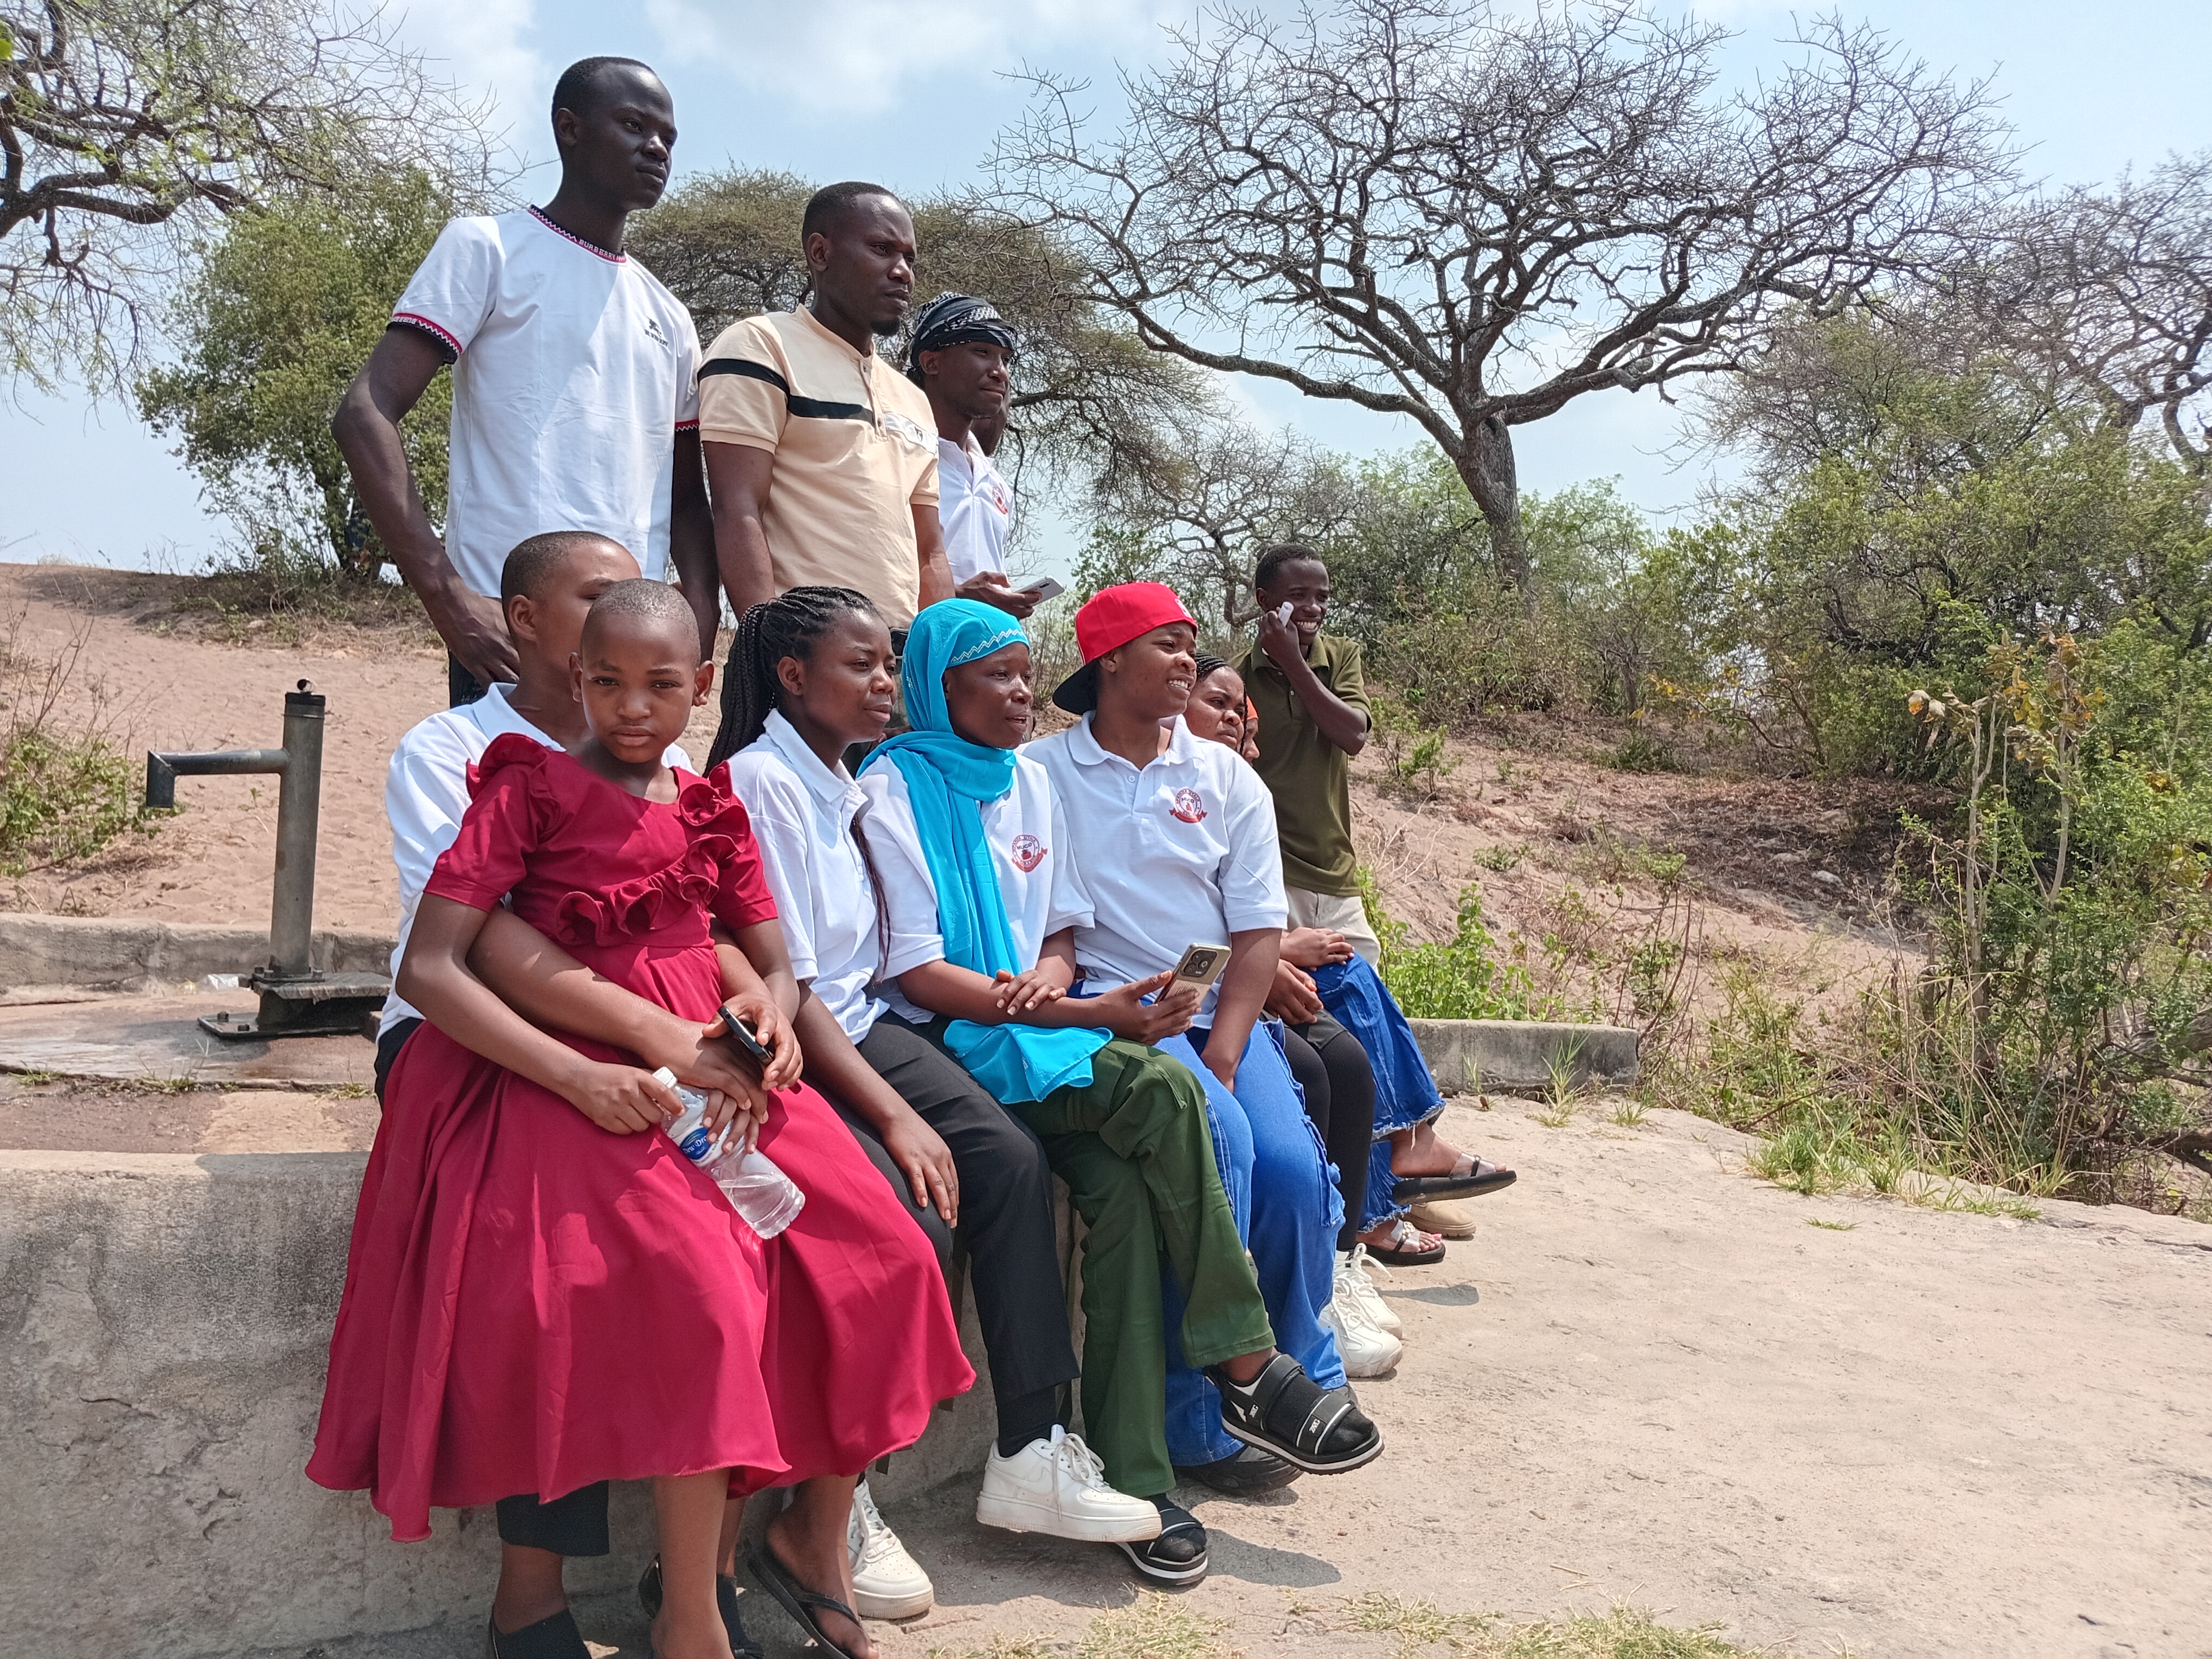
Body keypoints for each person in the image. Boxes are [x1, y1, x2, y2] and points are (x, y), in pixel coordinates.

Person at [312, 580, 973, 1659]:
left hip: (706, 1060)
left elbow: (765, 955)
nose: (631, 707)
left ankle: (772, 1550)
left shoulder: (706, 802)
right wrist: (579, 1077)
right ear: (574, 678)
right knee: (673, 1282)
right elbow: (434, 966)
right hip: (556, 1065)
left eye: (660, 685)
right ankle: (659, 1613)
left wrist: (769, 1011)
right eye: (608, 682)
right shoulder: (522, 788)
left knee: (884, 1250)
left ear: (701, 687)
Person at [861, 598, 1380, 1579]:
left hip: (1051, 1024)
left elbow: (1060, 930)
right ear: (936, 686)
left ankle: (1134, 1473)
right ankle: (1242, 1363)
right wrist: (1068, 1008)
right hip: (963, 1036)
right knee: (1172, 1102)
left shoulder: (1025, 782)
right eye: (995, 677)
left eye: (1026, 674)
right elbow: (918, 972)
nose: (1020, 693)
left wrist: (1052, 982)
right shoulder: (895, 787)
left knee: (1138, 1199)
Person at [714, 587, 1161, 1604]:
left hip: (859, 1022)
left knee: (1008, 1159)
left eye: (887, 665)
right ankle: (837, 1500)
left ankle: (1032, 1445)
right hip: (801, 1041)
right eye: (862, 667)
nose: (885, 685)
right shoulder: (765, 784)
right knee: (908, 1212)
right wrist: (895, 1114)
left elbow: (856, 980)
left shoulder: (838, 780)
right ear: (792, 677)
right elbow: (801, 989)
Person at [1027, 582, 1385, 1493]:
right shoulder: (1044, 772)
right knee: (1224, 1155)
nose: (1190, 660)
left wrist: (1225, 1054)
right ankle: (1198, 1423)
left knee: (1294, 1174)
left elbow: (1258, 931)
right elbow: (1048, 923)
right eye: (1169, 644)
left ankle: (1303, 1373)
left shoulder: (1227, 779)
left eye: (1192, 643)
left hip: (1217, 1010)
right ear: (1111, 661)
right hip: (1118, 1007)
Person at [334, 58, 714, 706]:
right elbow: (365, 412)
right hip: (514, 636)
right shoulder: (487, 249)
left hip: (630, 647)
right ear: (569, 128)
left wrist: (698, 616)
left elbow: (685, 496)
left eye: (668, 138)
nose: (657, 148)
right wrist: (448, 598)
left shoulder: (669, 314)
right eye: (634, 126)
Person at [1186, 655, 1517, 1263]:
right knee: (1338, 1026)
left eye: (1246, 724)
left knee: (1349, 986)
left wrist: (1271, 954)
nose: (1244, 739)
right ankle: (1382, 1191)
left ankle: (1398, 1170)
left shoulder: (1235, 791)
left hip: (1235, 971)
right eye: (1220, 709)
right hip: (1197, 992)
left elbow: (1238, 914)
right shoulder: (1161, 793)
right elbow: (1169, 925)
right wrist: (1270, 959)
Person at [1229, 554, 1517, 1208]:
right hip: (1272, 875)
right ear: (1264, 599)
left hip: (1333, 869)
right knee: (1322, 1030)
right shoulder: (1236, 679)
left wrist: (1296, 664)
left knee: (1366, 1015)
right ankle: (1380, 1195)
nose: (1312, 609)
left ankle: (1393, 1183)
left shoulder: (1339, 658)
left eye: (1322, 596)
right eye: (1297, 595)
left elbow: (1352, 733)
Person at [698, 182, 950, 658]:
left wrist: (939, 664)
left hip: (898, 664)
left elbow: (930, 552)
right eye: (882, 249)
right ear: (820, 253)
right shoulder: (760, 346)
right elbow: (737, 509)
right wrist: (767, 653)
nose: (903, 272)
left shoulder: (913, 400)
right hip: (804, 654)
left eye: (909, 258)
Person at [905, 293, 1045, 620]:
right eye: (982, 352)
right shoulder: (902, 456)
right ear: (931, 363)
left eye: (1006, 360)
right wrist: (962, 597)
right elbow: (875, 571)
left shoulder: (993, 480)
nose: (1000, 373)